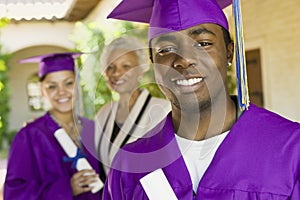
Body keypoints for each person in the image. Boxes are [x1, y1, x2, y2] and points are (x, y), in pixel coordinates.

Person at [102, 0, 300, 199]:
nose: (183, 60)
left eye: (203, 44)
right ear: (154, 61)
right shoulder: (128, 168)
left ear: (229, 52)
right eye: (165, 49)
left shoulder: (291, 151)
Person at [4, 53, 102, 200]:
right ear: (42, 89)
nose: (61, 92)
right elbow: (14, 194)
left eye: (68, 83)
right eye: (52, 86)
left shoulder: (93, 129)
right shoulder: (29, 136)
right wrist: (66, 189)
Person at [94, 35, 171, 183]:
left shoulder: (163, 110)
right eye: (111, 67)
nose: (116, 73)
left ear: (141, 69)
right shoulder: (102, 114)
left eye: (126, 66)